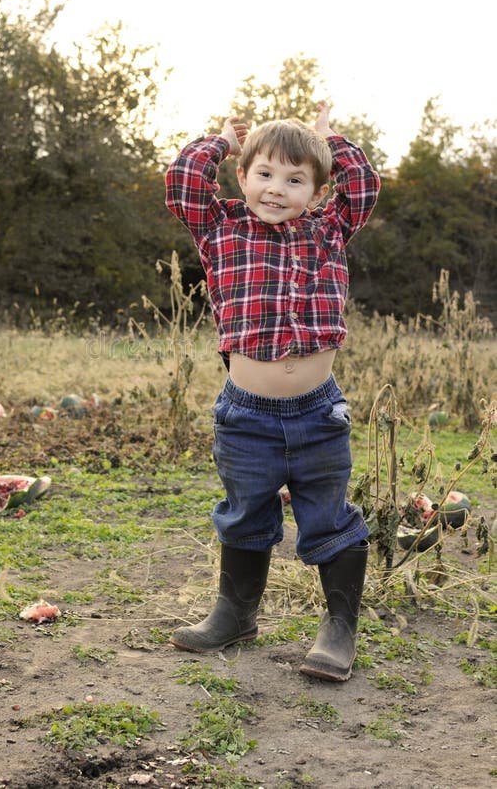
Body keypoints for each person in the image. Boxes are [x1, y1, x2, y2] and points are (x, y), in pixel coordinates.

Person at [164, 101, 381, 681]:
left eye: (295, 179)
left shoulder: (329, 228)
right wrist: (219, 140)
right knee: (245, 515)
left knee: (328, 518)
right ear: (242, 175)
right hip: (245, 416)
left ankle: (339, 630)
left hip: (318, 414)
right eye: (264, 173)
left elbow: (362, 184)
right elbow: (183, 185)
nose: (277, 188)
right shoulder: (221, 229)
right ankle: (235, 615)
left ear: (315, 190)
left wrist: (329, 135)